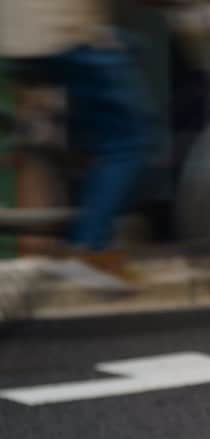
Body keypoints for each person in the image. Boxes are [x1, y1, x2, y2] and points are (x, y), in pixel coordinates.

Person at [0, 0, 156, 275]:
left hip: (15, 38)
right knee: (129, 141)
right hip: (63, 32)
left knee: (131, 45)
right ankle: (89, 245)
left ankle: (87, 198)